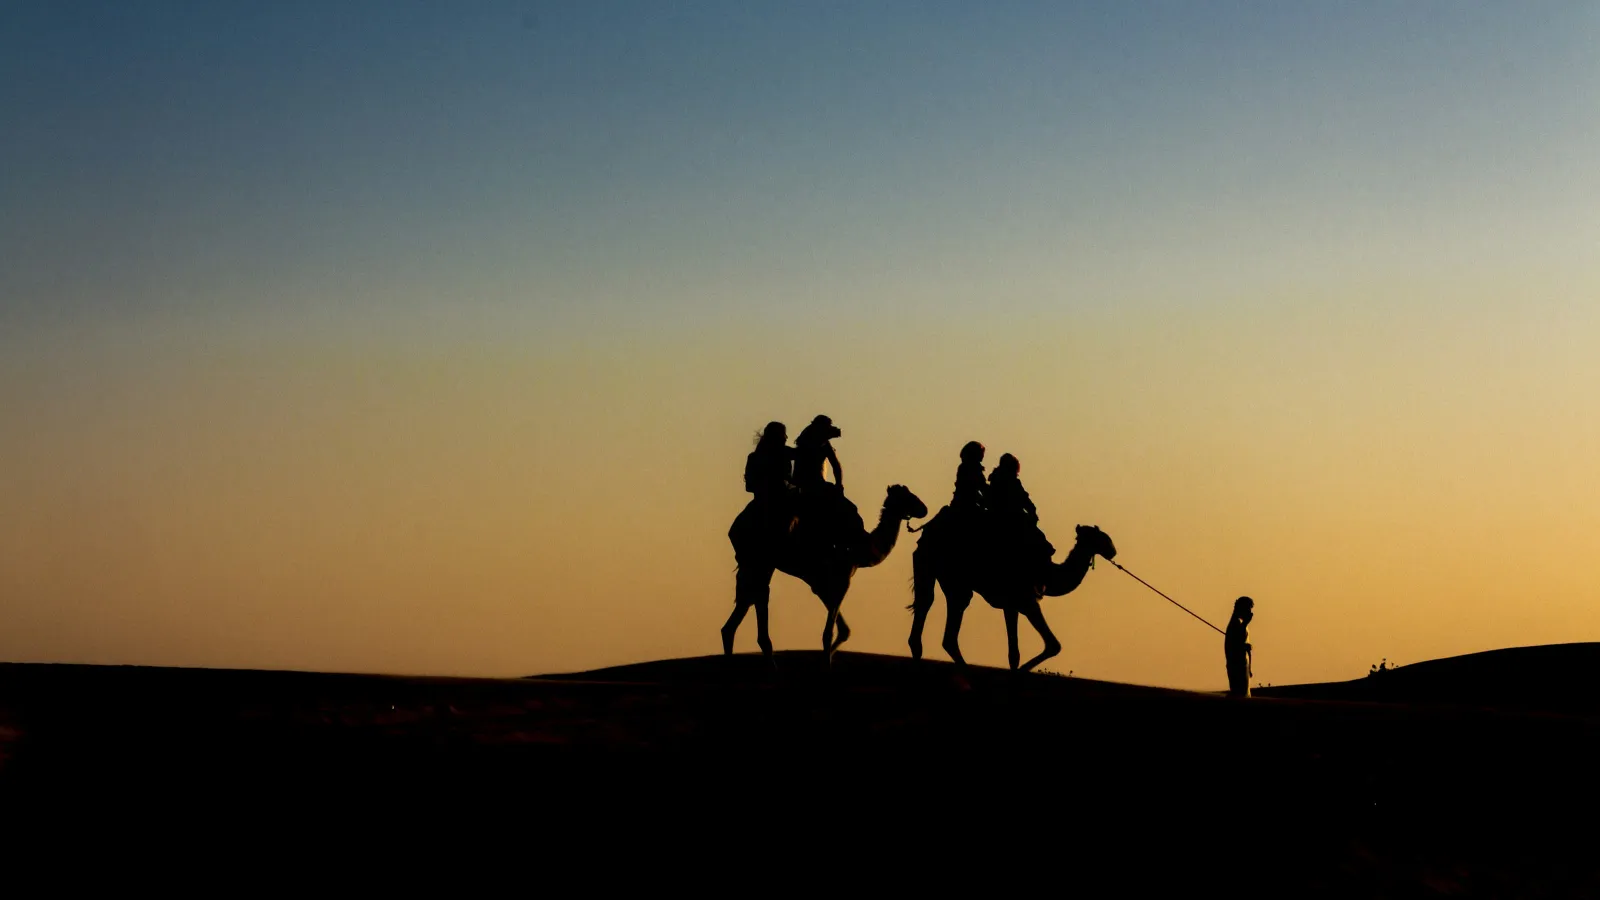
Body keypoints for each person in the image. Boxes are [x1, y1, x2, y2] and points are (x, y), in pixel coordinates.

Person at [987, 453, 1055, 572]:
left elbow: (1024, 499)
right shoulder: (1009, 482)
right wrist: (1031, 512)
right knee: (1037, 540)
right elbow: (1023, 499)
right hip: (1011, 519)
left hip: (1006, 517)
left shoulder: (997, 480)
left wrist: (1031, 511)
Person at [743, 421, 795, 538]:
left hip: (768, 501)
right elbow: (750, 486)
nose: (786, 438)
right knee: (735, 532)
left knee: (735, 532)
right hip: (775, 502)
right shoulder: (783, 453)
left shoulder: (755, 457)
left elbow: (749, 486)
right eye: (783, 434)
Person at [1225, 596, 1254, 698]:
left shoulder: (1239, 623)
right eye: (1248, 609)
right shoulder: (1235, 624)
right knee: (1240, 696)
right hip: (1237, 668)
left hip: (1242, 667)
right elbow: (1233, 647)